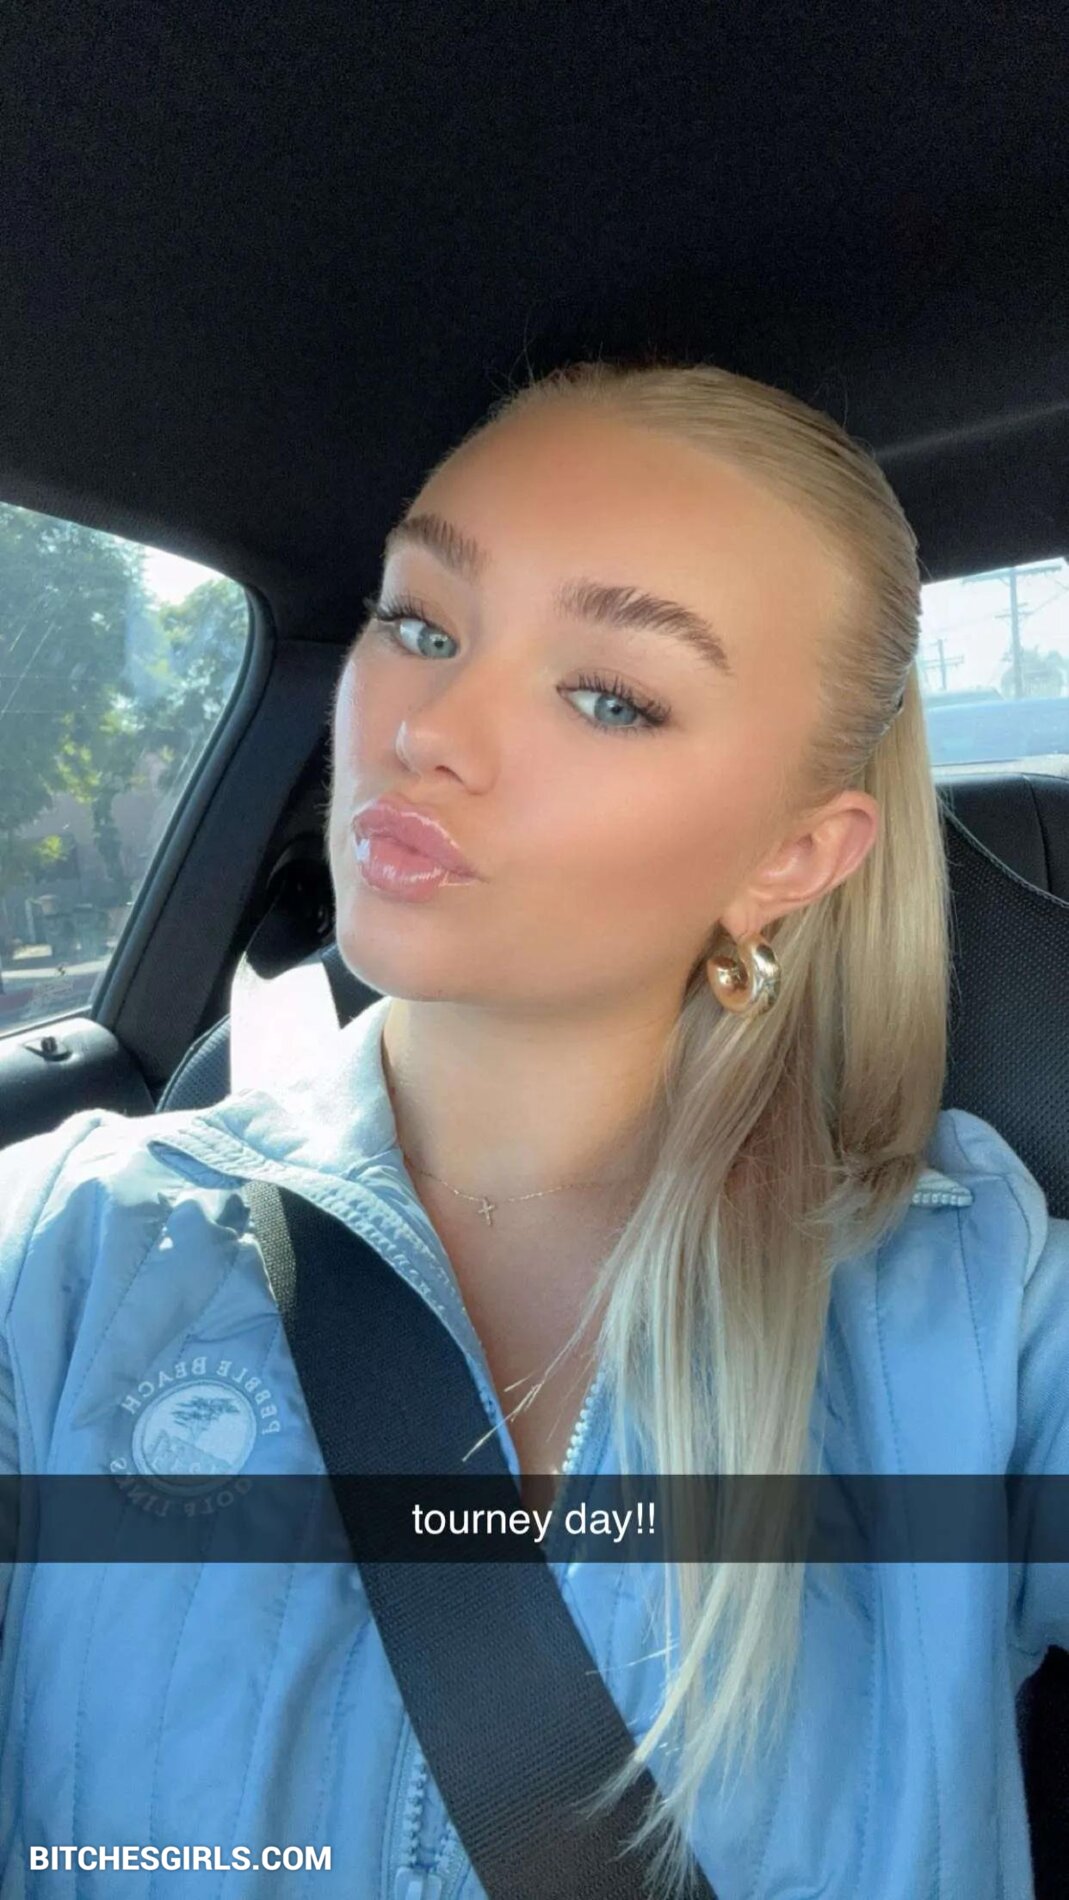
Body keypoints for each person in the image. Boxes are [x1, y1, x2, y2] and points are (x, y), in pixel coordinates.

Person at [0, 356, 1065, 1899]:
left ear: (788, 858)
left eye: (609, 696)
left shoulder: (967, 1305)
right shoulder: (62, 1249)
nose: (432, 727)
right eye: (423, 624)